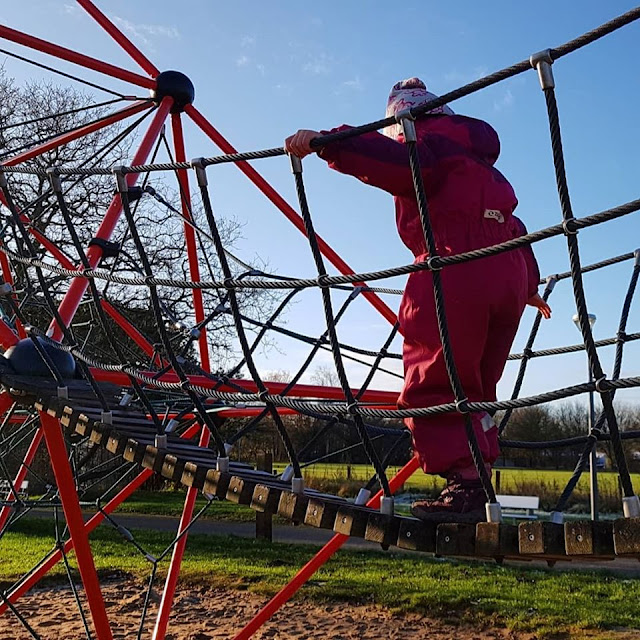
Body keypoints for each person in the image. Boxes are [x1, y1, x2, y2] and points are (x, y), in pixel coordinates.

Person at [285, 78, 551, 522]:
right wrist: (529, 286)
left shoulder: (424, 144)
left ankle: (463, 485)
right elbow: (513, 226)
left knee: (434, 372)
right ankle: (478, 472)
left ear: (403, 120)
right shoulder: (477, 157)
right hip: (507, 269)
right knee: (479, 383)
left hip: (452, 263)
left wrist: (326, 142)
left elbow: (393, 162)